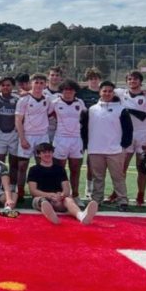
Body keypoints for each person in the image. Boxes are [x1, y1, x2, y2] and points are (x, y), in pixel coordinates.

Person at [88, 81, 133, 212]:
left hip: (115, 150)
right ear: (100, 92)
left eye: (110, 91)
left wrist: (123, 146)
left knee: (118, 177)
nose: (107, 93)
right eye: (104, 91)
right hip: (95, 149)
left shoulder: (121, 109)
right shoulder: (92, 110)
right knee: (98, 178)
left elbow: (128, 130)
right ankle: (96, 200)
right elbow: (86, 129)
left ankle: (122, 201)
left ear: (113, 93)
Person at [28, 143, 98, 225]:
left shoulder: (60, 169)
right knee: (43, 201)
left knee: (69, 199)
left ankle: (81, 216)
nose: (47, 154)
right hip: (41, 199)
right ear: (39, 154)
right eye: (44, 152)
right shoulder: (33, 170)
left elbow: (66, 190)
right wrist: (49, 195)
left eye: (49, 152)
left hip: (58, 200)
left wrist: (61, 195)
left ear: (52, 153)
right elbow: (33, 191)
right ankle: (52, 216)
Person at [49, 79, 87, 207]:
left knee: (75, 169)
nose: (68, 92)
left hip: (76, 139)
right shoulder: (55, 102)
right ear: (62, 91)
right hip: (60, 139)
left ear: (75, 91)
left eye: (70, 90)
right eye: (65, 89)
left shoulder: (80, 102)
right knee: (60, 169)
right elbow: (46, 114)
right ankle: (60, 195)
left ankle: (75, 195)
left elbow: (85, 118)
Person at [114, 70, 146, 207]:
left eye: (135, 79)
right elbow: (100, 86)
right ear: (126, 81)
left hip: (143, 135)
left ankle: (140, 195)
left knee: (142, 167)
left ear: (140, 81)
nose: (132, 81)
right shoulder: (121, 93)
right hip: (127, 135)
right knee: (122, 166)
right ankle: (117, 193)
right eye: (130, 79)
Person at [15, 73, 50, 201]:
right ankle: (20, 191)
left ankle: (43, 190)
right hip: (28, 136)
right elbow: (18, 120)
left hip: (42, 136)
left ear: (45, 85)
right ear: (31, 84)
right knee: (22, 165)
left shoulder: (48, 99)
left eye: (42, 83)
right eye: (36, 82)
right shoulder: (23, 100)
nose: (39, 85)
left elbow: (51, 113)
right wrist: (22, 138)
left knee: (43, 164)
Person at [76, 67, 102, 200]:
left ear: (99, 79)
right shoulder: (81, 92)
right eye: (91, 79)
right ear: (87, 80)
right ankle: (74, 189)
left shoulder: (105, 92)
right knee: (77, 161)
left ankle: (89, 188)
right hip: (81, 130)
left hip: (97, 131)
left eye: (96, 78)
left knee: (92, 161)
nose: (93, 81)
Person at [0, 76, 20, 189]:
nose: (5, 87)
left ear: (12, 86)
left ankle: (12, 186)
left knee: (14, 163)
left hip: (14, 134)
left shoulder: (18, 99)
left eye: (8, 85)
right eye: (3, 85)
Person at [44, 67, 63, 142]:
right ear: (48, 76)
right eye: (52, 75)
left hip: (59, 130)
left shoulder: (65, 94)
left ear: (61, 77)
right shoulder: (41, 92)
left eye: (57, 75)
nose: (54, 77)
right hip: (43, 130)